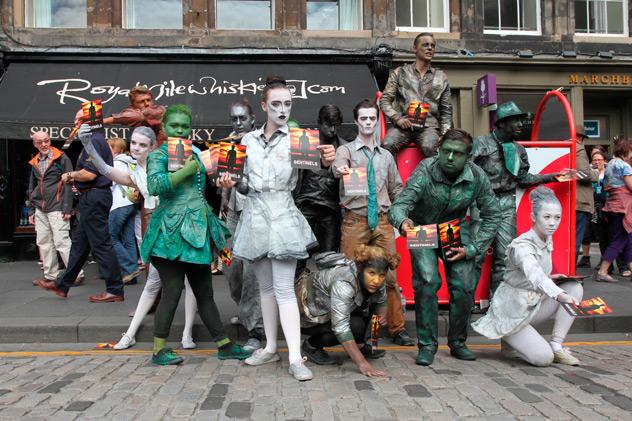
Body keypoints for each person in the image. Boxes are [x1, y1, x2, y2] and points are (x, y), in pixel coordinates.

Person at [218, 76, 336, 381]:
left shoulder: (299, 137)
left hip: (283, 212)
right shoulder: (247, 141)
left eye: (287, 104)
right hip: (255, 214)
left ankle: (296, 357)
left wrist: (327, 161)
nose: (282, 110)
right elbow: (242, 182)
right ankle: (270, 346)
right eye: (276, 104)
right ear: (264, 106)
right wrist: (231, 182)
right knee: (265, 288)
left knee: (283, 289)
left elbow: (319, 171)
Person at [141, 104, 251, 365]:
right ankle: (158, 351)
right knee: (173, 289)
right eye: (174, 125)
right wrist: (186, 171)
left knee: (205, 292)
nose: (179, 130)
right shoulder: (157, 156)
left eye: (184, 126)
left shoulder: (198, 153)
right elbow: (155, 186)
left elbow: (212, 181)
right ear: (164, 127)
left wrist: (224, 177)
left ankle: (224, 345)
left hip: (198, 231)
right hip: (168, 233)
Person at [77, 126, 200, 350]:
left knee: (190, 281)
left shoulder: (164, 164)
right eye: (133, 143)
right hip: (158, 230)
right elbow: (105, 169)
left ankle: (187, 333)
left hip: (181, 225)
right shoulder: (135, 172)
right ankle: (130, 333)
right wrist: (88, 145)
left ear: (153, 147)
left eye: (142, 145)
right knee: (153, 281)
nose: (136, 148)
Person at [388, 128, 500, 365]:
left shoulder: (476, 176)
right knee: (427, 282)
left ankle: (458, 342)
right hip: (423, 228)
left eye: (457, 153)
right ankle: (427, 345)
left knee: (464, 285)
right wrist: (404, 222)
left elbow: (492, 215)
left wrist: (472, 249)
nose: (449, 157)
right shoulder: (426, 170)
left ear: (467, 156)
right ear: (439, 149)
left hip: (454, 229)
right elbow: (400, 205)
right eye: (446, 151)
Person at [333, 99, 415, 347]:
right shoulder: (346, 150)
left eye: (371, 118)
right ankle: (348, 328)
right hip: (355, 220)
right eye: (363, 118)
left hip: (382, 220)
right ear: (356, 121)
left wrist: (404, 217)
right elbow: (338, 167)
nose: (368, 123)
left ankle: (395, 328)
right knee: (349, 274)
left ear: (376, 121)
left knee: (389, 277)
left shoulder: (387, 156)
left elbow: (396, 189)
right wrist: (341, 170)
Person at [472, 186, 584, 367]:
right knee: (543, 359)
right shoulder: (522, 246)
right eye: (546, 217)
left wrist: (552, 278)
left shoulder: (547, 238)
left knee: (574, 287)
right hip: (512, 311)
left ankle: (556, 345)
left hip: (532, 304)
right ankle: (510, 337)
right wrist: (561, 295)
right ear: (533, 217)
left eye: (557, 218)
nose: (552, 223)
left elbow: (536, 275)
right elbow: (535, 275)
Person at [471, 101, 565, 295]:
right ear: (503, 123)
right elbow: (466, 171)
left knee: (505, 257)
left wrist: (553, 176)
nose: (521, 125)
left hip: (506, 203)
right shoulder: (480, 143)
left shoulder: (519, 150)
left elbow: (522, 179)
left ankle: (498, 304)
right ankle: (466, 303)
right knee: (475, 254)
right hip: (482, 202)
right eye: (516, 121)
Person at [36, 126, 125, 302]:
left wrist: (69, 175)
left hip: (94, 195)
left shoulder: (94, 141)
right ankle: (62, 284)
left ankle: (115, 289)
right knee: (80, 245)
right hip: (92, 197)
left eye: (79, 120)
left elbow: (90, 174)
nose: (75, 123)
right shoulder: (94, 141)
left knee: (101, 244)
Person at [297, 245, 400, 377]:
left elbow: (381, 301)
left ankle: (362, 345)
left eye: (381, 275)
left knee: (370, 311)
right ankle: (311, 346)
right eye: (372, 273)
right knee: (355, 326)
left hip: (333, 308)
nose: (376, 280)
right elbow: (341, 328)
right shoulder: (343, 284)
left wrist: (382, 314)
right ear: (360, 269)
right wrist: (363, 364)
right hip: (307, 315)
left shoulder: (376, 281)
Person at [220, 99, 265, 352]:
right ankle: (242, 306)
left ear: (252, 120)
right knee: (230, 266)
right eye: (234, 119)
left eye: (242, 119)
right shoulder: (229, 145)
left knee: (251, 275)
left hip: (254, 212)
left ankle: (255, 330)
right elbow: (224, 179)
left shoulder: (257, 144)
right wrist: (224, 201)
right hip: (233, 213)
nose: (238, 123)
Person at [380, 32, 452, 158]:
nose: (430, 48)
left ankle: (429, 177)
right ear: (415, 48)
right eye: (425, 45)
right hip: (404, 125)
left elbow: (446, 111)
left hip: (429, 127)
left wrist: (445, 135)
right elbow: (384, 100)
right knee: (387, 144)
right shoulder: (400, 72)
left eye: (432, 46)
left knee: (431, 147)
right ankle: (394, 178)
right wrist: (397, 119)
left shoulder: (442, 77)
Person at [294, 104, 346, 277]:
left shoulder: (344, 148)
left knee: (329, 260)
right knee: (298, 259)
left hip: (330, 210)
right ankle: (296, 298)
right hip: (305, 207)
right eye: (327, 124)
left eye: (335, 125)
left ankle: (326, 297)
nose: (332, 129)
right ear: (318, 123)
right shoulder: (305, 144)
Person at [28, 131, 84, 286]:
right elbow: (32, 187)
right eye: (40, 142)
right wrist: (32, 209)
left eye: (46, 141)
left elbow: (68, 183)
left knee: (62, 241)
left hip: (57, 206)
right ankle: (51, 275)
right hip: (41, 208)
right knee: (44, 242)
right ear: (34, 144)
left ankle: (76, 274)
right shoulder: (35, 162)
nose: (44, 144)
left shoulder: (61, 158)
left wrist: (67, 207)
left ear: (50, 140)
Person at [595, 137, 632, 282]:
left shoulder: (609, 164)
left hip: (612, 206)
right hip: (623, 208)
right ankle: (603, 271)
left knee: (628, 239)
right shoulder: (624, 166)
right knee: (619, 240)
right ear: (626, 150)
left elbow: (604, 183)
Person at [106, 138, 141, 284]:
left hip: (119, 203)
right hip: (131, 203)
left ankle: (130, 268)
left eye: (108, 148)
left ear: (116, 149)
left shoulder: (116, 164)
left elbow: (110, 183)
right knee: (129, 239)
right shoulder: (131, 162)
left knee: (111, 237)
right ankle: (130, 276)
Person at [577, 149, 608, 268]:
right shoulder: (589, 171)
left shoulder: (608, 172)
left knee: (602, 234)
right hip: (590, 205)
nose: (597, 162)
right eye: (594, 160)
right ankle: (585, 258)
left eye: (599, 159)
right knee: (587, 232)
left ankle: (603, 259)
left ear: (604, 161)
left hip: (604, 206)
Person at [574, 126, 599, 264]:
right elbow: (583, 174)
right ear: (580, 137)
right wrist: (594, 173)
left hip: (569, 200)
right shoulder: (578, 148)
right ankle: (570, 271)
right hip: (580, 202)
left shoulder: (565, 147)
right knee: (576, 239)